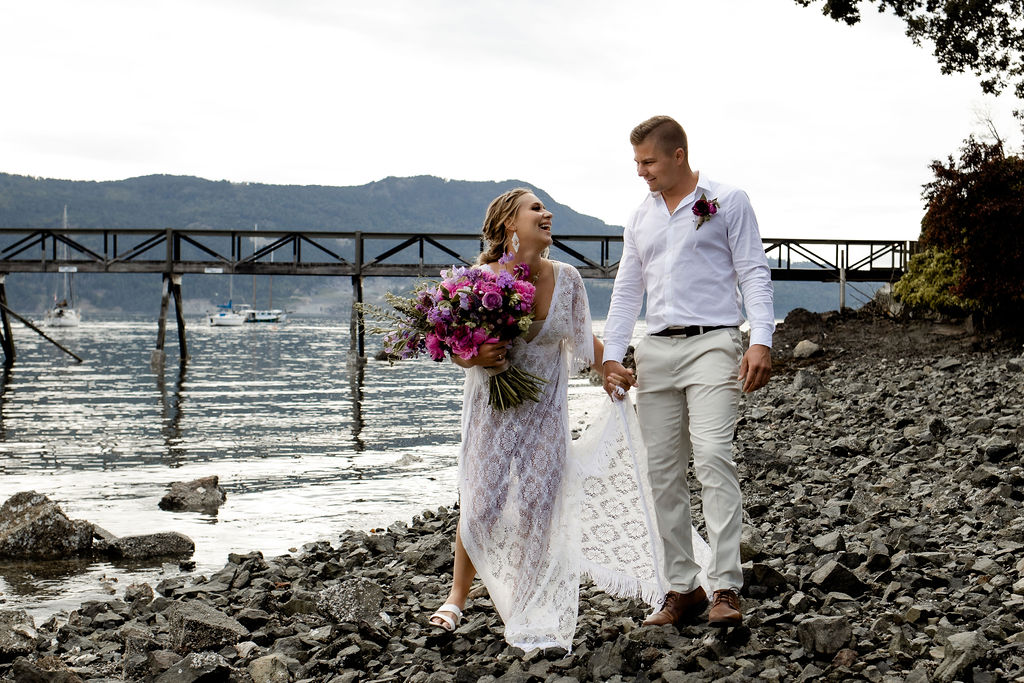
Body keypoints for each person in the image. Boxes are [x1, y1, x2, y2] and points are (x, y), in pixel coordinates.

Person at [428, 188, 684, 651]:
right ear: (510, 223)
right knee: (480, 505)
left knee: (537, 508)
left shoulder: (567, 279)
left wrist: (611, 368)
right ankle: (457, 597)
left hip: (545, 415)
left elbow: (583, 344)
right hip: (493, 412)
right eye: (535, 208)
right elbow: (455, 349)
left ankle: (526, 603)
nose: (547, 214)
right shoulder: (475, 281)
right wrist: (474, 356)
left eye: (545, 208)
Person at [602, 116, 774, 629]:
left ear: (678, 156)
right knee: (661, 474)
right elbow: (628, 289)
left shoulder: (728, 201)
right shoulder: (640, 216)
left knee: (715, 458)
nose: (641, 172)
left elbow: (753, 271)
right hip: (654, 350)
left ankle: (725, 585)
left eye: (648, 161)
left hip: (714, 343)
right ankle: (683, 587)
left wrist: (761, 338)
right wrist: (613, 355)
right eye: (636, 163)